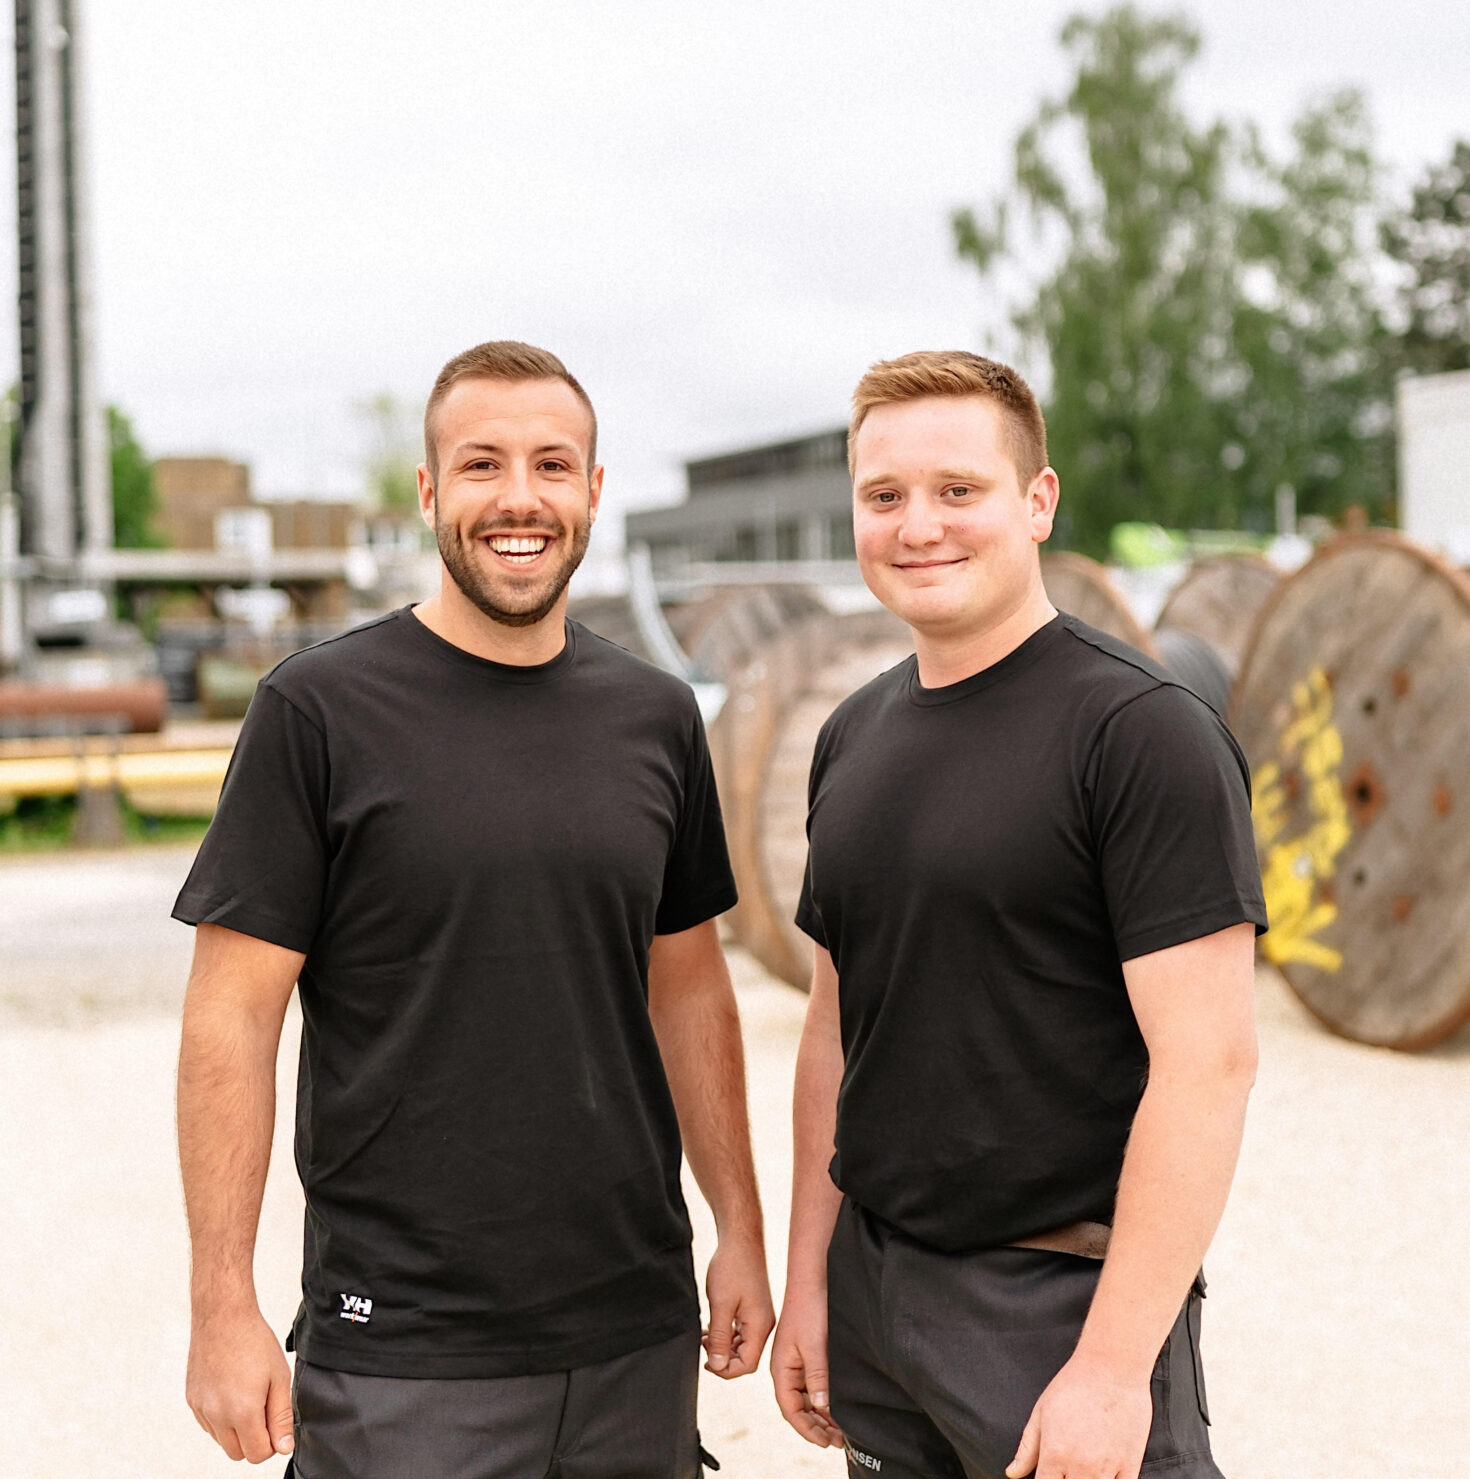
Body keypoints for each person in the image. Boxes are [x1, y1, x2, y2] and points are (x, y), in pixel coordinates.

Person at [175, 340, 773, 1479]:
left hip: (632, 1335)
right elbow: (230, 1021)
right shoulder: (317, 712)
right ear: (429, 491)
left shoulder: (653, 718)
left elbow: (689, 984)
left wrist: (738, 1226)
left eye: (553, 466)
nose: (519, 499)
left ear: (594, 493)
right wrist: (221, 1302)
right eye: (483, 463)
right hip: (402, 1346)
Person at [771, 350, 1266, 1479]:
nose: (918, 525)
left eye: (959, 490)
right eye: (884, 496)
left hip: (1060, 1308)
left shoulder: (1142, 733)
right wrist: (812, 1278)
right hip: (879, 1291)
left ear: (1037, 503)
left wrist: (1109, 1369)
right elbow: (835, 1032)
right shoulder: (852, 737)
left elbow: (1210, 1067)